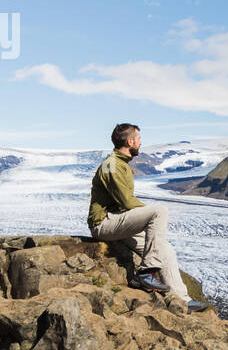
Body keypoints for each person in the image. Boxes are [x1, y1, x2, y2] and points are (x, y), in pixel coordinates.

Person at [87, 123, 209, 313]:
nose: (141, 143)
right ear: (130, 141)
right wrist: (149, 216)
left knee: (166, 249)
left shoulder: (121, 164)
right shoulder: (112, 165)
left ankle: (183, 300)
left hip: (118, 222)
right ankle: (146, 272)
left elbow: (125, 206)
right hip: (104, 223)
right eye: (139, 139)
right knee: (159, 211)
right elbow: (126, 202)